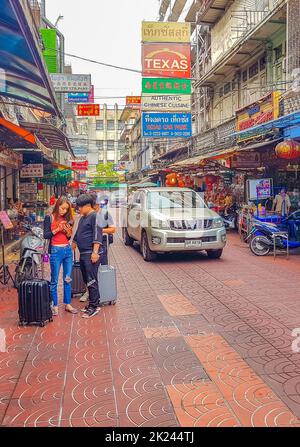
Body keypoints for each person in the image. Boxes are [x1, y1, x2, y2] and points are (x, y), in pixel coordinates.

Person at [44, 197, 77, 317]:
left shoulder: (67, 218)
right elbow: (46, 234)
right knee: (54, 280)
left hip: (67, 250)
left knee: (67, 278)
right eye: (62, 208)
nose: (63, 211)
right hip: (55, 250)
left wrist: (68, 233)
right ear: (57, 205)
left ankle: (67, 304)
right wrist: (57, 229)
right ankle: (55, 305)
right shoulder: (49, 217)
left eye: (66, 209)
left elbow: (68, 238)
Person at [72, 194, 103, 318]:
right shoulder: (83, 217)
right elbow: (79, 232)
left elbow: (97, 235)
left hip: (90, 254)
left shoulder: (95, 216)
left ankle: (94, 306)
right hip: (83, 253)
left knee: (91, 280)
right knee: (86, 279)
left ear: (86, 206)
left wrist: (95, 252)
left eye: (79, 207)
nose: (78, 209)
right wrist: (74, 242)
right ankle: (93, 302)